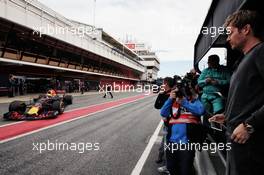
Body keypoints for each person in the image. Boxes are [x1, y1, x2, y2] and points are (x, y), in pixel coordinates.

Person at [209, 10, 264, 175]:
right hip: (237, 140)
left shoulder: (261, 52)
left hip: (250, 144)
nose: (227, 38)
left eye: (230, 33)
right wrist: (228, 116)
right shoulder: (244, 59)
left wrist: (249, 125)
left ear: (245, 29)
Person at [160, 79, 205, 175]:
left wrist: (184, 102)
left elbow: (200, 111)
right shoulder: (173, 102)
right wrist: (170, 99)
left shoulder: (195, 101)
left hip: (187, 144)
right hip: (172, 142)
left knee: (185, 170)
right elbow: (163, 113)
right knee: (171, 168)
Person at [154, 77, 174, 174]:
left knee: (167, 143)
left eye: (163, 83)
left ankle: (168, 165)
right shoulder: (163, 94)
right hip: (167, 122)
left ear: (165, 83)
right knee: (164, 141)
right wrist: (161, 95)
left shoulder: (173, 94)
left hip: (173, 123)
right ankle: (160, 157)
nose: (162, 84)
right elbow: (157, 106)